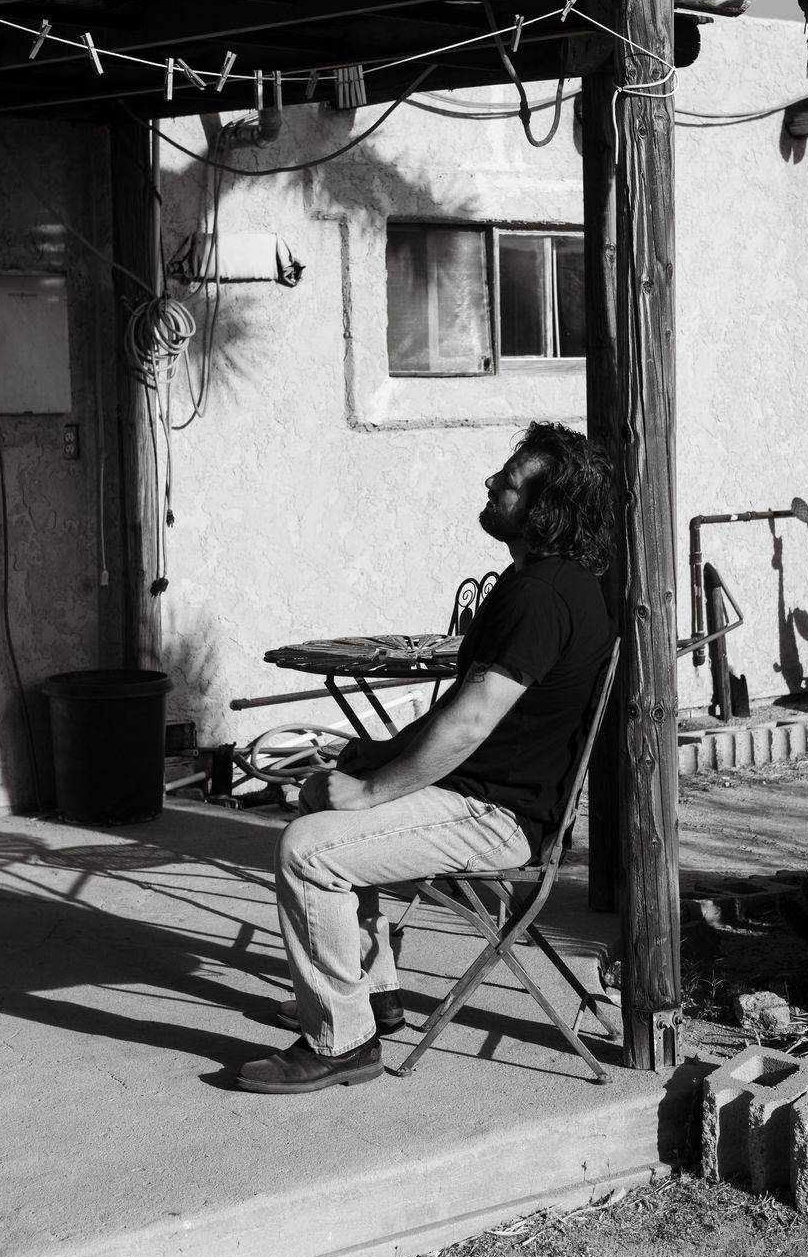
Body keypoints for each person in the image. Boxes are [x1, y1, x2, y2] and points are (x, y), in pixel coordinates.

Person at [237, 421, 615, 1094]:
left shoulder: (541, 597)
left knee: (308, 851)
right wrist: (372, 760)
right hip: (478, 794)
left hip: (496, 816)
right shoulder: (543, 582)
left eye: (509, 482)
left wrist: (371, 791)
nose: (491, 484)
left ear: (546, 509)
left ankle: (341, 1042)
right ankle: (372, 995)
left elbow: (468, 723)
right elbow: (462, 715)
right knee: (333, 796)